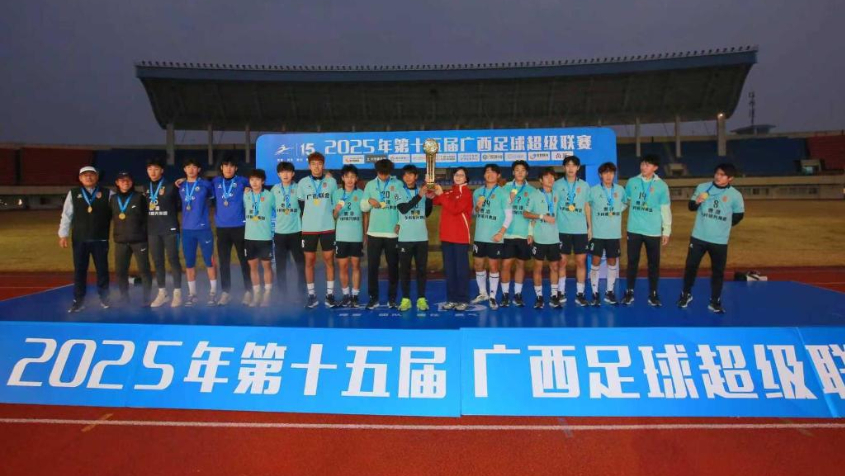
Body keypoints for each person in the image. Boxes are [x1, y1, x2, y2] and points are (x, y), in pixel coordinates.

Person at [678, 163, 745, 314]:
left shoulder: (735, 195)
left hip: (719, 240)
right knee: (691, 267)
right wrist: (697, 201)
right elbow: (691, 206)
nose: (718, 177)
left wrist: (724, 225)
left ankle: (715, 301)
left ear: (730, 178)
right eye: (717, 173)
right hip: (698, 237)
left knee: (718, 271)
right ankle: (686, 294)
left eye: (722, 175)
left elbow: (739, 215)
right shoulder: (703, 187)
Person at [58, 166, 112, 312]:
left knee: (102, 270)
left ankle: (105, 298)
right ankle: (79, 300)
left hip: (100, 238)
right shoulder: (73, 193)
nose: (88, 177)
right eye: (85, 175)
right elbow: (67, 215)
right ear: (80, 178)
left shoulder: (108, 193)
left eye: (91, 175)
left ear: (97, 177)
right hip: (80, 239)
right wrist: (63, 234)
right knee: (80, 271)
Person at [621, 154, 672, 307]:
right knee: (632, 262)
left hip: (653, 231)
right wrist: (613, 211)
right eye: (643, 164)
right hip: (634, 229)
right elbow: (625, 202)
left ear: (655, 168)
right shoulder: (632, 182)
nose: (644, 167)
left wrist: (666, 230)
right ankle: (629, 292)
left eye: (648, 165)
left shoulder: (662, 186)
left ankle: (653, 293)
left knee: (653, 264)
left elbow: (665, 209)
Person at [296, 152, 338, 309]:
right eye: (313, 164)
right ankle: (311, 295)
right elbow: (301, 205)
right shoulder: (302, 183)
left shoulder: (331, 182)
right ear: (309, 166)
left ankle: (330, 295)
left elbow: (335, 202)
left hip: (328, 227)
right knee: (309, 261)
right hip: (309, 228)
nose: (316, 167)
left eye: (319, 164)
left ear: (323, 165)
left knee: (329, 260)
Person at [361, 158, 402, 310]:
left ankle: (392, 298)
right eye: (381, 173)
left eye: (386, 173)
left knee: (393, 267)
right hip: (374, 233)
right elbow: (363, 207)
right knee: (372, 267)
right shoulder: (370, 185)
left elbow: (402, 205)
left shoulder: (397, 184)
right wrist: (368, 201)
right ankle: (373, 298)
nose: (383, 176)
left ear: (390, 172)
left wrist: (400, 223)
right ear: (377, 172)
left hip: (392, 233)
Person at [471, 164, 513, 309]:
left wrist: (501, 232)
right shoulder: (477, 192)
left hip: (495, 236)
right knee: (478, 265)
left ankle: (493, 296)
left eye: (493, 172)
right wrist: (477, 206)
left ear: (498, 175)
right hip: (479, 236)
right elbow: (474, 213)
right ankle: (483, 293)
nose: (490, 174)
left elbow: (509, 216)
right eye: (487, 172)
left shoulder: (503, 193)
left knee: (494, 266)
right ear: (484, 175)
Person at [211, 157, 252, 306]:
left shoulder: (243, 181)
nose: (228, 169)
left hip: (240, 227)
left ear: (236, 168)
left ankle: (249, 291)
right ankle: (226, 292)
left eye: (231, 166)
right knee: (224, 262)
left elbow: (258, 186)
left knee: (244, 260)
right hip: (222, 228)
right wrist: (184, 180)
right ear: (221, 168)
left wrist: (250, 189)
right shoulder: (215, 182)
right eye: (225, 166)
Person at [553, 156, 592, 307]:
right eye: (567, 165)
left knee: (581, 261)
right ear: (564, 167)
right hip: (562, 229)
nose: (570, 168)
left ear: (578, 168)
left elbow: (587, 206)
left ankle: (580, 293)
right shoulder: (557, 185)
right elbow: (554, 206)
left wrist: (590, 227)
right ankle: (561, 291)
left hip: (580, 230)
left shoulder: (584, 185)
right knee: (562, 261)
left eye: (573, 165)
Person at [432, 167, 473, 311]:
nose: (458, 177)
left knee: (461, 271)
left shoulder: (466, 193)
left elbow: (455, 209)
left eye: (461, 175)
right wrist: (430, 185)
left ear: (466, 178)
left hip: (460, 237)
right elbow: (434, 200)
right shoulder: (450, 192)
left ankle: (463, 299)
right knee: (449, 271)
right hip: (446, 237)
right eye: (456, 174)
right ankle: (452, 299)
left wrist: (441, 195)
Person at [178, 158, 217, 306]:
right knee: (189, 263)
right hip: (187, 230)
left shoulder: (206, 184)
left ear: (199, 169)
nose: (191, 169)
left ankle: (213, 293)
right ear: (184, 169)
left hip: (203, 229)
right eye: (188, 167)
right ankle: (192, 294)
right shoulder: (181, 185)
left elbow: (215, 199)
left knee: (209, 261)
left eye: (194, 167)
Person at [144, 157, 183, 308]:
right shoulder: (146, 187)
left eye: (156, 169)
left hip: (170, 228)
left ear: (162, 170)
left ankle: (177, 293)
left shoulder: (171, 186)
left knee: (173, 259)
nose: (153, 172)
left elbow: (179, 205)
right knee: (158, 261)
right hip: (153, 230)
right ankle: (162, 293)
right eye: (150, 169)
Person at [587, 162, 627, 306]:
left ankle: (609, 292)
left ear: (614, 174)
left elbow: (625, 203)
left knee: (612, 261)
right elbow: (588, 206)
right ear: (600, 175)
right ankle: (595, 293)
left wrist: (616, 210)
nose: (608, 175)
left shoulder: (620, 190)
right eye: (605, 173)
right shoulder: (593, 190)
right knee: (595, 261)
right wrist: (590, 227)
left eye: (611, 173)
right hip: (598, 233)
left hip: (613, 233)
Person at [110, 171, 152, 306]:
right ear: (117, 183)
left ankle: (147, 298)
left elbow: (147, 217)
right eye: (122, 180)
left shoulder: (139, 197)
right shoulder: (113, 199)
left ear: (132, 182)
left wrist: (146, 234)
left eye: (128, 180)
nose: (125, 183)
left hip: (139, 240)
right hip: (121, 241)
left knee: (144, 269)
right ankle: (124, 297)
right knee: (120, 271)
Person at [396, 165, 433, 312]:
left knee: (421, 269)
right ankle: (405, 299)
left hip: (421, 237)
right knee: (404, 270)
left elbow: (427, 213)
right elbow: (404, 209)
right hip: (405, 238)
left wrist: (429, 199)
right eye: (405, 175)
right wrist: (420, 195)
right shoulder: (399, 191)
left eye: (411, 174)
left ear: (416, 176)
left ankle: (421, 298)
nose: (408, 177)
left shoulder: (422, 191)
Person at [524, 167, 562, 309]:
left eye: (552, 177)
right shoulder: (534, 195)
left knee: (554, 267)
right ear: (541, 180)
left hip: (554, 237)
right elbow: (526, 213)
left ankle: (554, 295)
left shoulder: (557, 194)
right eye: (546, 177)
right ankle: (539, 297)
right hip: (539, 238)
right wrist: (541, 217)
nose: (550, 179)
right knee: (538, 267)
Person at [500, 160, 535, 308]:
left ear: (526, 173)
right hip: (507, 234)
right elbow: (499, 210)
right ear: (513, 172)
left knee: (521, 264)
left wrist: (530, 233)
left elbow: (533, 214)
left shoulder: (532, 191)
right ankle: (505, 294)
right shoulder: (504, 188)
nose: (520, 172)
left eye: (522, 170)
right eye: (517, 170)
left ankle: (518, 294)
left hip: (523, 234)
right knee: (506, 264)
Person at [331, 164, 366, 308]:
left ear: (356, 178)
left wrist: (365, 235)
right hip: (341, 236)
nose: (350, 180)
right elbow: (334, 216)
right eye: (347, 177)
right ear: (343, 178)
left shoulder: (362, 194)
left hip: (356, 236)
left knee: (356, 265)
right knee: (343, 266)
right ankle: (346, 295)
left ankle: (355, 296)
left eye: (353, 177)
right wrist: (336, 210)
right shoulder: (336, 194)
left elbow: (365, 216)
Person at [271, 161, 306, 297]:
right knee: (281, 267)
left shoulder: (299, 188)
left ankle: (302, 292)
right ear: (278, 174)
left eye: (288, 172)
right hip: (279, 233)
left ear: (293, 174)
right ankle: (282, 294)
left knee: (300, 265)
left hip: (296, 232)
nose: (285, 175)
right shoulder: (274, 189)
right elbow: (269, 208)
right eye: (282, 172)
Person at [243, 169, 275, 307]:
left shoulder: (270, 196)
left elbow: (278, 212)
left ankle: (267, 293)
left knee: (266, 266)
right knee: (253, 266)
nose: (254, 183)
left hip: (264, 237)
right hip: (249, 237)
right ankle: (257, 293)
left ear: (263, 181)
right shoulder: (246, 195)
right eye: (252, 180)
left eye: (257, 180)